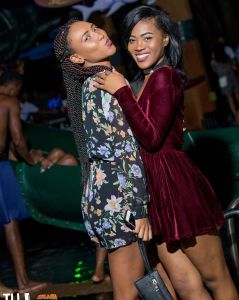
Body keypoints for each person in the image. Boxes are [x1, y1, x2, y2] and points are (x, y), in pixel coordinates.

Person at [93, 5, 239, 300]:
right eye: (132, 39)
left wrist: (120, 90)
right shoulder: (140, 81)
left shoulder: (165, 76)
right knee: (185, 284)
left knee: (216, 278)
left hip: (177, 185)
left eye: (147, 38)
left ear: (166, 40)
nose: (138, 46)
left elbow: (152, 136)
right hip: (153, 190)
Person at [53, 20, 156, 300]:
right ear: (77, 57)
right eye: (88, 37)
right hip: (121, 198)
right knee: (127, 293)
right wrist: (140, 207)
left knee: (155, 281)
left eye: (96, 28)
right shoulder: (104, 85)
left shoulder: (98, 81)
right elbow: (123, 150)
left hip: (111, 194)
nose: (99, 35)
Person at [0, 70, 48, 293]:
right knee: (11, 222)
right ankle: (21, 283)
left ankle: (17, 284)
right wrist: (30, 162)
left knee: (9, 223)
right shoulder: (9, 101)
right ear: (14, 87)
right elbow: (18, 140)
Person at [211, 42, 239, 116]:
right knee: (237, 95)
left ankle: (236, 114)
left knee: (230, 98)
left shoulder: (214, 61)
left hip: (223, 79)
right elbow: (234, 66)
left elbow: (215, 71)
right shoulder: (226, 57)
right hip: (230, 76)